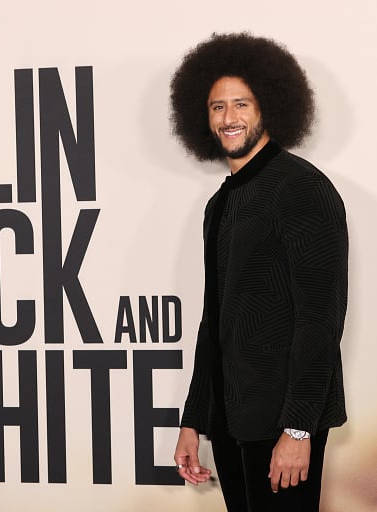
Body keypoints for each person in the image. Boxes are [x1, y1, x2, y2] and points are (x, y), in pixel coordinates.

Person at [169, 33, 348, 512]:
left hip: (282, 423)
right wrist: (194, 421)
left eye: (240, 104)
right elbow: (216, 322)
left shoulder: (303, 189)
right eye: (217, 107)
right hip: (231, 418)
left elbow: (321, 319)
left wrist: (298, 428)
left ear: (267, 105)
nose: (229, 118)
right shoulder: (221, 204)